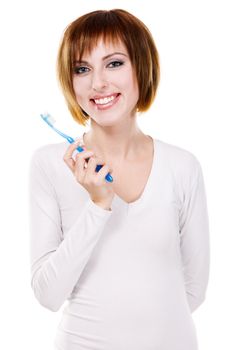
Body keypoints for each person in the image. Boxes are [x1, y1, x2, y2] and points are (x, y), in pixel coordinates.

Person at [29, 9, 210, 350]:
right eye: (82, 69)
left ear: (142, 66)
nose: (98, 83)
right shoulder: (49, 165)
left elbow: (194, 290)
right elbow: (48, 295)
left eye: (114, 63)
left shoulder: (183, 166)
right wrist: (98, 206)